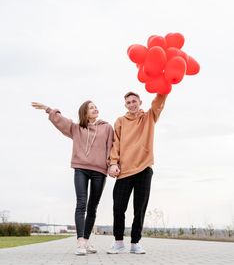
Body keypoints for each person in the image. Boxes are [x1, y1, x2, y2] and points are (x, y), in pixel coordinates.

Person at [31, 101, 113, 255]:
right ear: (84, 113)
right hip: (81, 169)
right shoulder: (77, 128)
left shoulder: (107, 127)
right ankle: (80, 242)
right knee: (81, 204)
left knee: (92, 207)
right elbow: (61, 121)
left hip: (100, 171)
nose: (95, 108)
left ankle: (87, 241)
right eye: (91, 107)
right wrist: (48, 109)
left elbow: (111, 148)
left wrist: (112, 164)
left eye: (96, 106)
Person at [107, 91, 167, 254]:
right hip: (125, 170)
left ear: (140, 102)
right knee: (118, 207)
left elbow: (158, 103)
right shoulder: (120, 121)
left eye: (134, 101)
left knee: (139, 208)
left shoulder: (149, 117)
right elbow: (115, 144)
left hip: (144, 168)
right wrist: (113, 163)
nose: (132, 104)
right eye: (128, 102)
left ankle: (135, 242)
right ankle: (118, 242)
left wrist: (163, 90)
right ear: (125, 105)